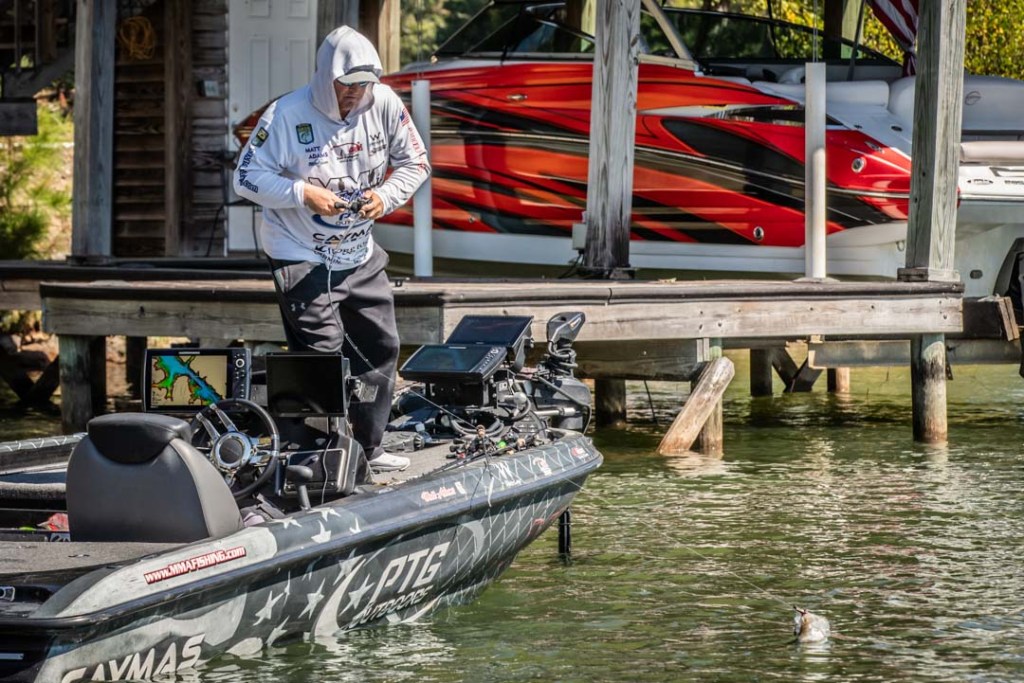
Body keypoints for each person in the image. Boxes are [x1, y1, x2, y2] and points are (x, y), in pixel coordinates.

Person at [232, 26, 430, 473]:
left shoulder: (384, 103)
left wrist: (385, 197)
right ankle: (316, 454)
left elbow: (416, 162)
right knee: (322, 351)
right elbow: (245, 178)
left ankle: (369, 448)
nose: (355, 94)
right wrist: (303, 193)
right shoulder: (285, 114)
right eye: (347, 85)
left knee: (381, 343)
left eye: (364, 84)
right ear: (326, 77)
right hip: (299, 250)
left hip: (358, 251)